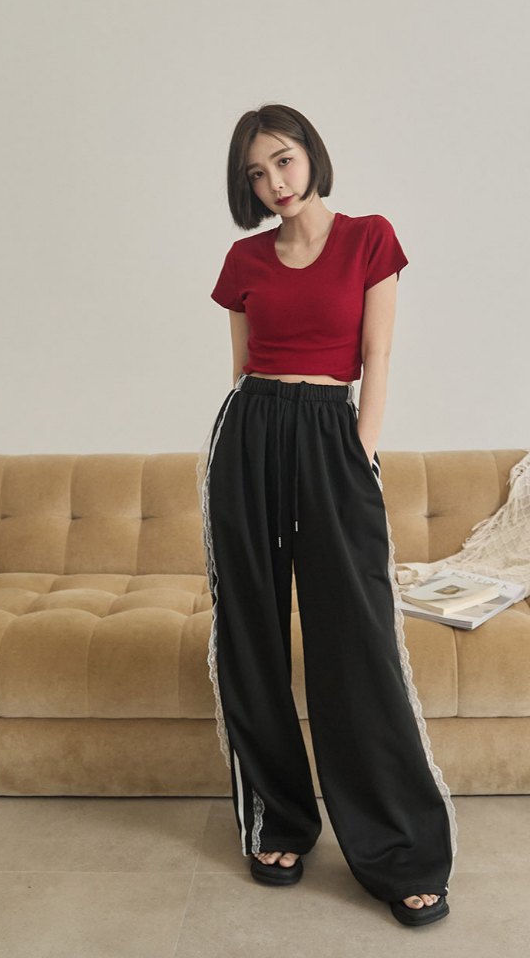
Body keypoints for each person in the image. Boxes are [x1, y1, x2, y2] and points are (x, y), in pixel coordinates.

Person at [195, 103, 458, 928]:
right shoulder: (243, 259)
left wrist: (360, 453)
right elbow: (242, 367)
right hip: (250, 436)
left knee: (355, 640)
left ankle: (399, 847)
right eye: (257, 173)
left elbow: (376, 355)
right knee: (252, 634)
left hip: (331, 434)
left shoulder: (368, 239)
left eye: (283, 160)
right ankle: (278, 819)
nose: (274, 182)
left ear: (311, 155)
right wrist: (250, 444)